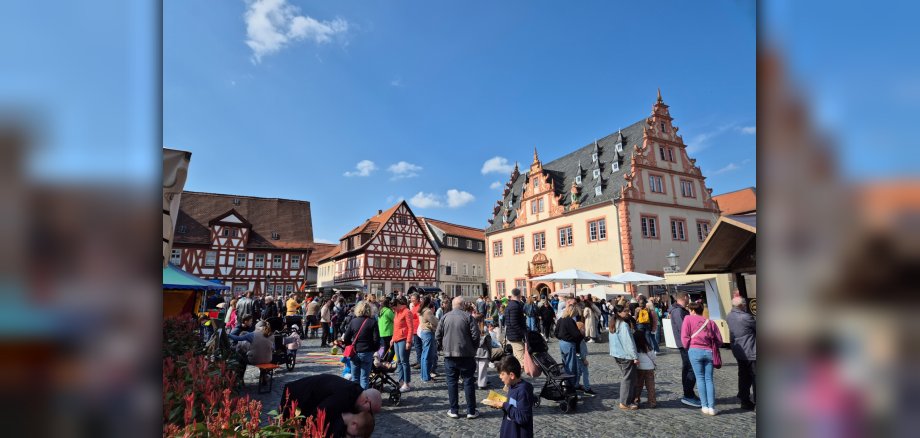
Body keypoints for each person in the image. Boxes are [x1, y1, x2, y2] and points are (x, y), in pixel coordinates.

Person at [279, 375, 382, 436]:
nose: (368, 415)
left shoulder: (354, 394)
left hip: (306, 401)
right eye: (370, 412)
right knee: (287, 432)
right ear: (366, 401)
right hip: (295, 397)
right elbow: (318, 415)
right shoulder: (344, 396)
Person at [436, 296, 481, 419]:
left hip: (450, 354)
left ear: (453, 305)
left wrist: (442, 347)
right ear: (463, 305)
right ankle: (471, 411)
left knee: (452, 382)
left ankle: (454, 410)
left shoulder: (445, 317)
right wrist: (473, 348)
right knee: (468, 381)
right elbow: (476, 335)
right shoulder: (468, 317)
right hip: (466, 354)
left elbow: (438, 335)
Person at [681, 301, 724, 416]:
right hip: (709, 351)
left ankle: (704, 406)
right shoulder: (710, 322)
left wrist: (687, 347)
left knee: (700, 379)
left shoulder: (688, 319)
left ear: (693, 310)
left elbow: (684, 337)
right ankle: (712, 407)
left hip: (694, 351)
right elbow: (719, 340)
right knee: (709, 379)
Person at [482, 356, 534, 438]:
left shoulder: (523, 391)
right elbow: (513, 406)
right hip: (509, 429)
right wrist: (501, 405)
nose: (500, 377)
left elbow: (522, 418)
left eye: (502, 374)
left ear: (512, 375)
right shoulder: (511, 386)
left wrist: (504, 405)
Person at [669, 292, 701, 407]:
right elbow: (684, 328)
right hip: (685, 343)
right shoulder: (678, 311)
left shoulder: (678, 310)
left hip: (684, 343)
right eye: (688, 297)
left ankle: (688, 393)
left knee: (687, 368)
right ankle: (688, 394)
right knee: (690, 368)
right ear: (685, 298)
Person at [725, 295, 756, 410]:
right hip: (751, 350)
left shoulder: (729, 316)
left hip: (739, 351)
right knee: (755, 377)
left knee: (743, 376)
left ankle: (744, 399)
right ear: (742, 305)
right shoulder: (746, 317)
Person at [343, 301, 380, 389]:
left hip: (355, 351)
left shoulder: (353, 321)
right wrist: (373, 349)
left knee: (355, 378)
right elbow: (376, 340)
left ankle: (355, 398)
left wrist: (350, 345)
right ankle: (364, 400)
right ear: (369, 310)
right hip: (367, 351)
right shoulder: (372, 322)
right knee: (364, 378)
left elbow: (346, 338)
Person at [609, 304, 639, 410]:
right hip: (625, 355)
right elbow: (628, 342)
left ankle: (630, 399)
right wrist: (634, 356)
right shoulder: (623, 325)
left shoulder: (613, 323)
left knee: (628, 377)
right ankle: (625, 402)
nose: (628, 313)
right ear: (619, 313)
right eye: (625, 311)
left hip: (617, 354)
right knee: (628, 378)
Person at [554, 305, 583, 389]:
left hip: (562, 343)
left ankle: (566, 382)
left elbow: (556, 333)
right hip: (569, 344)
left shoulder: (560, 320)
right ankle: (571, 385)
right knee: (571, 365)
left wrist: (561, 338)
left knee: (565, 364)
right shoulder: (569, 320)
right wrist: (581, 336)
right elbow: (576, 335)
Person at [390, 297, 414, 392]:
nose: (393, 310)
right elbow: (395, 326)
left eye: (394, 308)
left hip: (403, 339)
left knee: (404, 361)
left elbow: (410, 328)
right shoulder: (397, 312)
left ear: (398, 305)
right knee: (399, 361)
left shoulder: (407, 312)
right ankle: (400, 381)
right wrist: (392, 338)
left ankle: (406, 383)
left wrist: (408, 341)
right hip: (396, 339)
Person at [633, 330, 657, 408]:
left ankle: (636, 400)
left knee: (638, 385)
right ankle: (652, 402)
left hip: (639, 368)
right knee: (650, 386)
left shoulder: (634, 348)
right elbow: (653, 356)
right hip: (649, 368)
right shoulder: (648, 346)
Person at [503, 288, 527, 367]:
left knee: (518, 359)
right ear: (519, 295)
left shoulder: (510, 305)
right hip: (516, 336)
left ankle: (517, 378)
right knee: (522, 361)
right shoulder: (515, 306)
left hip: (513, 335)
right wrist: (523, 333)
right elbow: (514, 323)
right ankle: (517, 378)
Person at [418, 295, 440, 382]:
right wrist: (433, 323)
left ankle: (423, 375)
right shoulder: (427, 311)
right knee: (428, 356)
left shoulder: (421, 310)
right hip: (428, 333)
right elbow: (436, 322)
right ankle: (426, 377)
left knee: (424, 356)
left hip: (424, 332)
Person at [474, 316, 495, 390]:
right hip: (484, 351)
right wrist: (490, 351)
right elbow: (489, 342)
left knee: (477, 369)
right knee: (483, 369)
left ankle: (480, 382)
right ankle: (482, 384)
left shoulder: (473, 328)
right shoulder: (485, 329)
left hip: (475, 351)